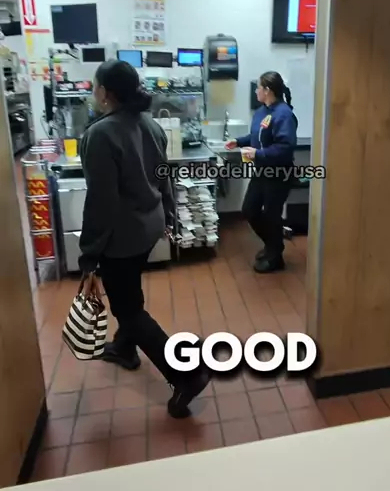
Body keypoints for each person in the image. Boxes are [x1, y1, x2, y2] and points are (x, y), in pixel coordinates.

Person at [79, 59, 209, 419]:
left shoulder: (100, 135)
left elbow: (101, 202)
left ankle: (186, 375)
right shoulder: (150, 124)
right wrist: (169, 214)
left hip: (121, 236)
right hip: (149, 227)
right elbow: (163, 177)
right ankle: (124, 347)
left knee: (128, 309)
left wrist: (89, 254)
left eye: (95, 86)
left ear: (105, 92)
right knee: (128, 290)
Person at [226, 71, 297, 273]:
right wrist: (239, 141)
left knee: (272, 215)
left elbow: (285, 147)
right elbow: (256, 136)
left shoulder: (284, 114)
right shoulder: (261, 112)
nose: (256, 91)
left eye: (258, 87)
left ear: (267, 90)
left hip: (279, 174)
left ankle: (275, 257)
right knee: (249, 210)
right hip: (262, 172)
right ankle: (273, 246)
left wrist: (259, 153)